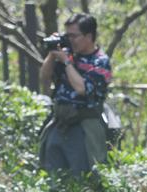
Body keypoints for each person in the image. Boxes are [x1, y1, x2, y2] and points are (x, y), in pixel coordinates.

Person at [38, 13, 112, 175]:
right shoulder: (68, 55)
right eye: (67, 35)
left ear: (89, 36)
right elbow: (44, 77)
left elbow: (82, 89)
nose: (70, 40)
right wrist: (52, 53)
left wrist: (66, 62)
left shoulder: (100, 61)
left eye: (74, 35)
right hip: (60, 123)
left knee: (83, 178)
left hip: (83, 127)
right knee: (53, 176)